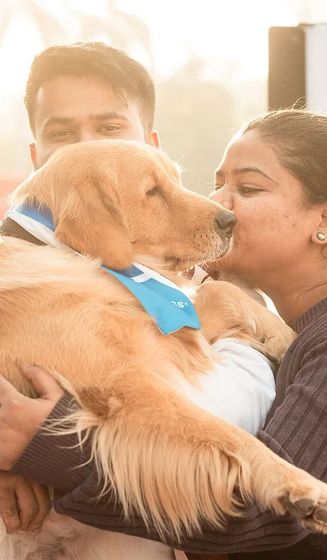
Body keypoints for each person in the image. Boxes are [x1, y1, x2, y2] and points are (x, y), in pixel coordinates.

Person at [1, 107, 327, 559]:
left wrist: (46, 450)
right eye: (219, 182)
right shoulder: (278, 311)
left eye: (249, 188)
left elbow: (257, 515)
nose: (218, 203)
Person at [0, 41, 277, 554]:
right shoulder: (13, 271)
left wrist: (40, 446)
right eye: (61, 133)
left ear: (151, 146)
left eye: (108, 128)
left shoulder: (212, 277)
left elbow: (224, 410)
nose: (83, 147)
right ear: (37, 156)